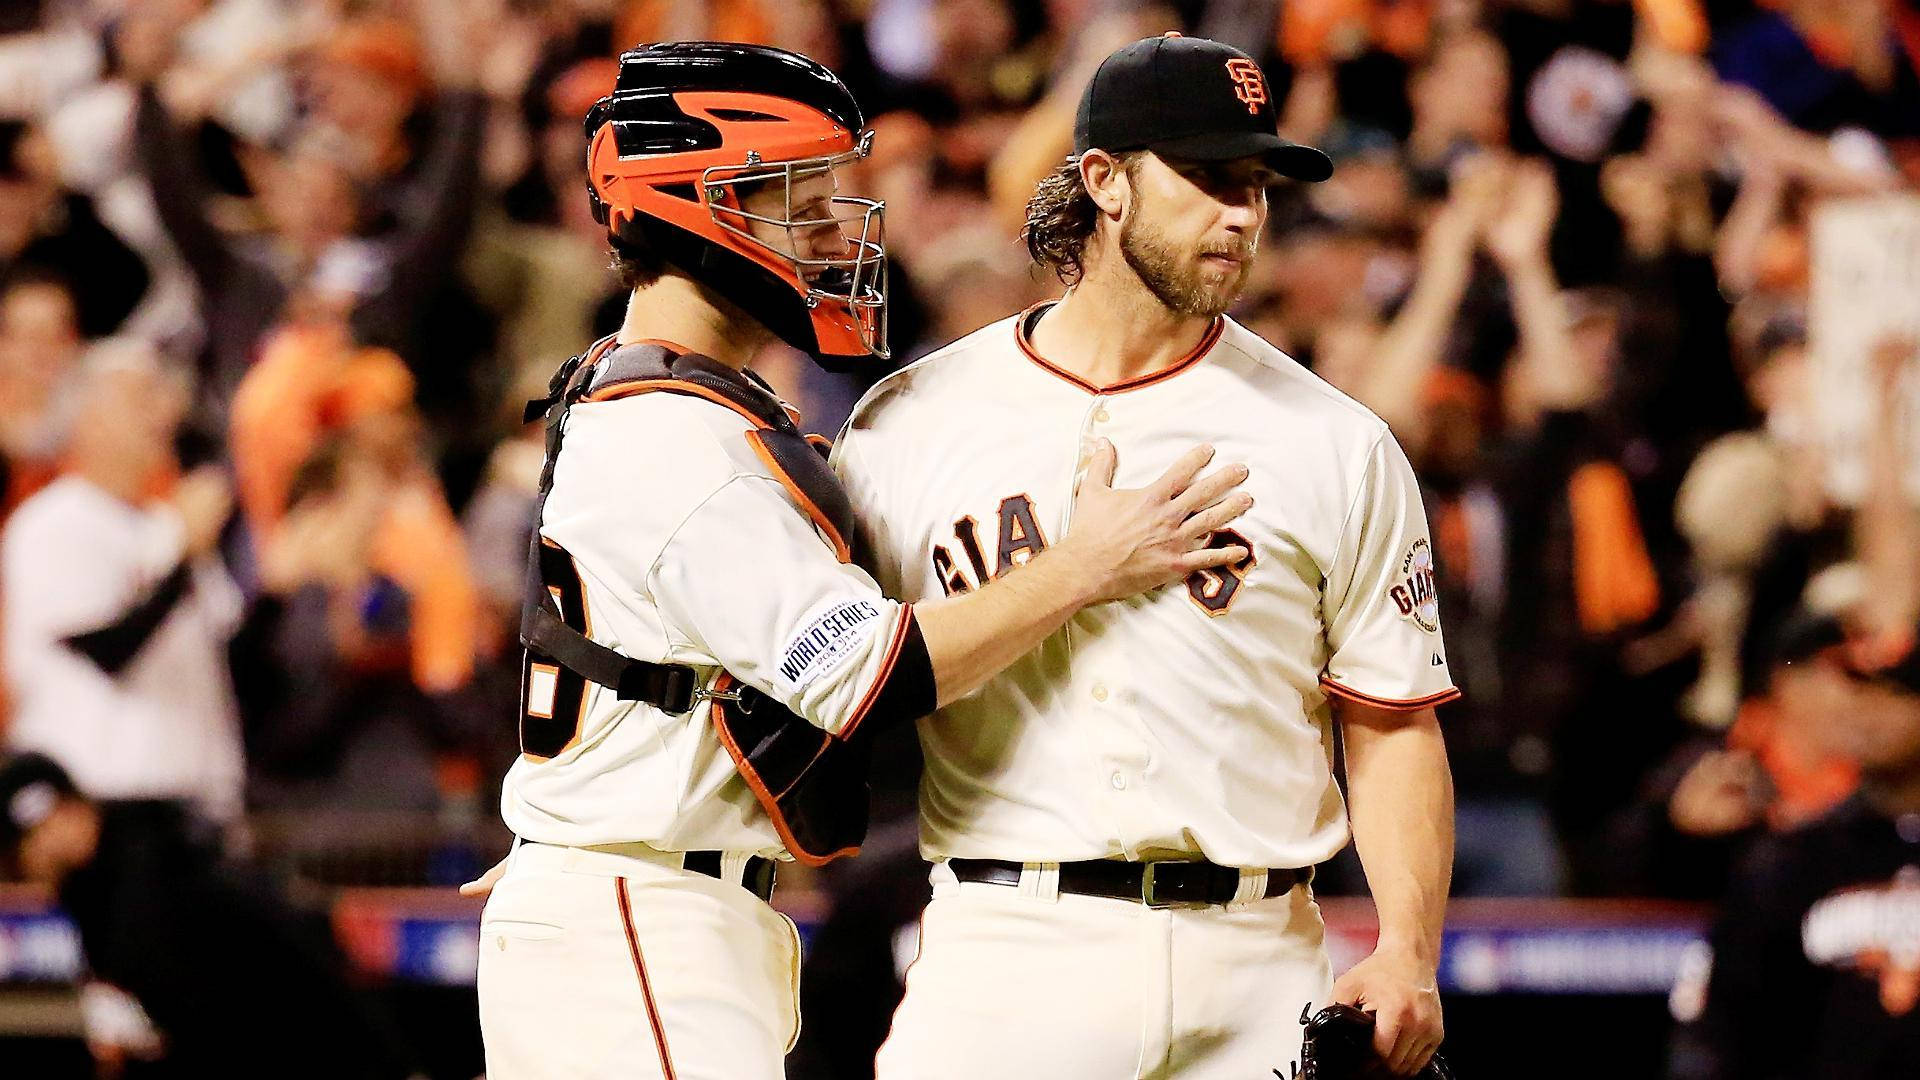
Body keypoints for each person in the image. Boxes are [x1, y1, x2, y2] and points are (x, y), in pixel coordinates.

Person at [468, 42, 1254, 1080]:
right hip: (640, 914)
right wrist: (1088, 562)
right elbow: (874, 677)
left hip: (633, 901)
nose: (837, 231)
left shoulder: (660, 394)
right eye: (800, 201)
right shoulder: (677, 439)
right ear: (702, 206)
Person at [834, 34, 1455, 1079]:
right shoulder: (913, 424)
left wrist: (1407, 950)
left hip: (1261, 958)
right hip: (1009, 945)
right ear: (1105, 181)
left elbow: (1391, 721)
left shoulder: (1331, 440)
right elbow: (832, 677)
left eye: (1256, 184)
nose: (1242, 213)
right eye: (1209, 177)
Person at [0, 750, 418, 1078]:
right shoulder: (106, 886)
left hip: (317, 1050)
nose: (38, 851)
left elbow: (227, 1021)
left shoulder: (157, 878)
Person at [1, 339, 244, 828]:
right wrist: (182, 558)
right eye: (141, 397)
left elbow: (232, 647)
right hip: (104, 803)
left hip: (197, 798)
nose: (163, 412)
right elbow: (107, 651)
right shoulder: (52, 523)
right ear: (86, 420)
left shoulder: (166, 523)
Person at [1671, 617, 1920, 1080]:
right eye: (1860, 689)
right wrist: (1686, 843)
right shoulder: (1800, 856)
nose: (1868, 709)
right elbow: (1730, 1024)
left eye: (1896, 692)